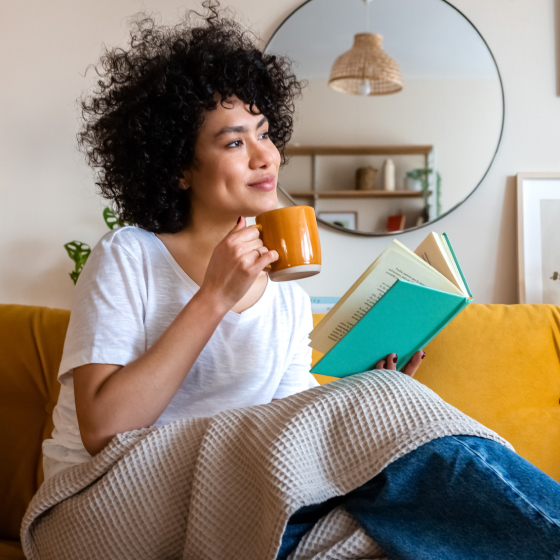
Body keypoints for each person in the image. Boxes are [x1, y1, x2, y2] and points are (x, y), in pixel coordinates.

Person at [41, 3, 560, 559]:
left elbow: (294, 444)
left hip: (223, 500)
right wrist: (213, 296)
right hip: (101, 504)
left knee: (384, 538)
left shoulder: (285, 290)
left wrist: (372, 382)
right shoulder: (129, 255)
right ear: (178, 167)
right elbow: (103, 429)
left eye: (265, 134)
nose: (268, 157)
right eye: (235, 142)